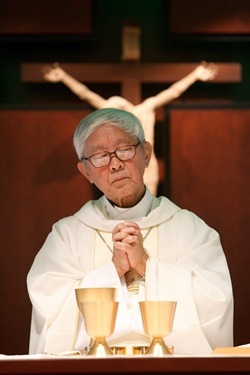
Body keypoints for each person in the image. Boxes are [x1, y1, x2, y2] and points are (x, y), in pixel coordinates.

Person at [27, 108, 234, 356]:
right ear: (86, 172)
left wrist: (146, 264)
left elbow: (215, 299)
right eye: (100, 156)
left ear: (146, 155)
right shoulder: (66, 236)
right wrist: (113, 269)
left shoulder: (190, 230)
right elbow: (50, 307)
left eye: (124, 150)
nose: (115, 164)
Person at [42, 61, 219, 195]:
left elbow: (173, 92)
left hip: (147, 168)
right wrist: (63, 77)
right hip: (120, 169)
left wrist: (196, 75)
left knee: (148, 213)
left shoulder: (144, 110)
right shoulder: (111, 113)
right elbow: (84, 93)